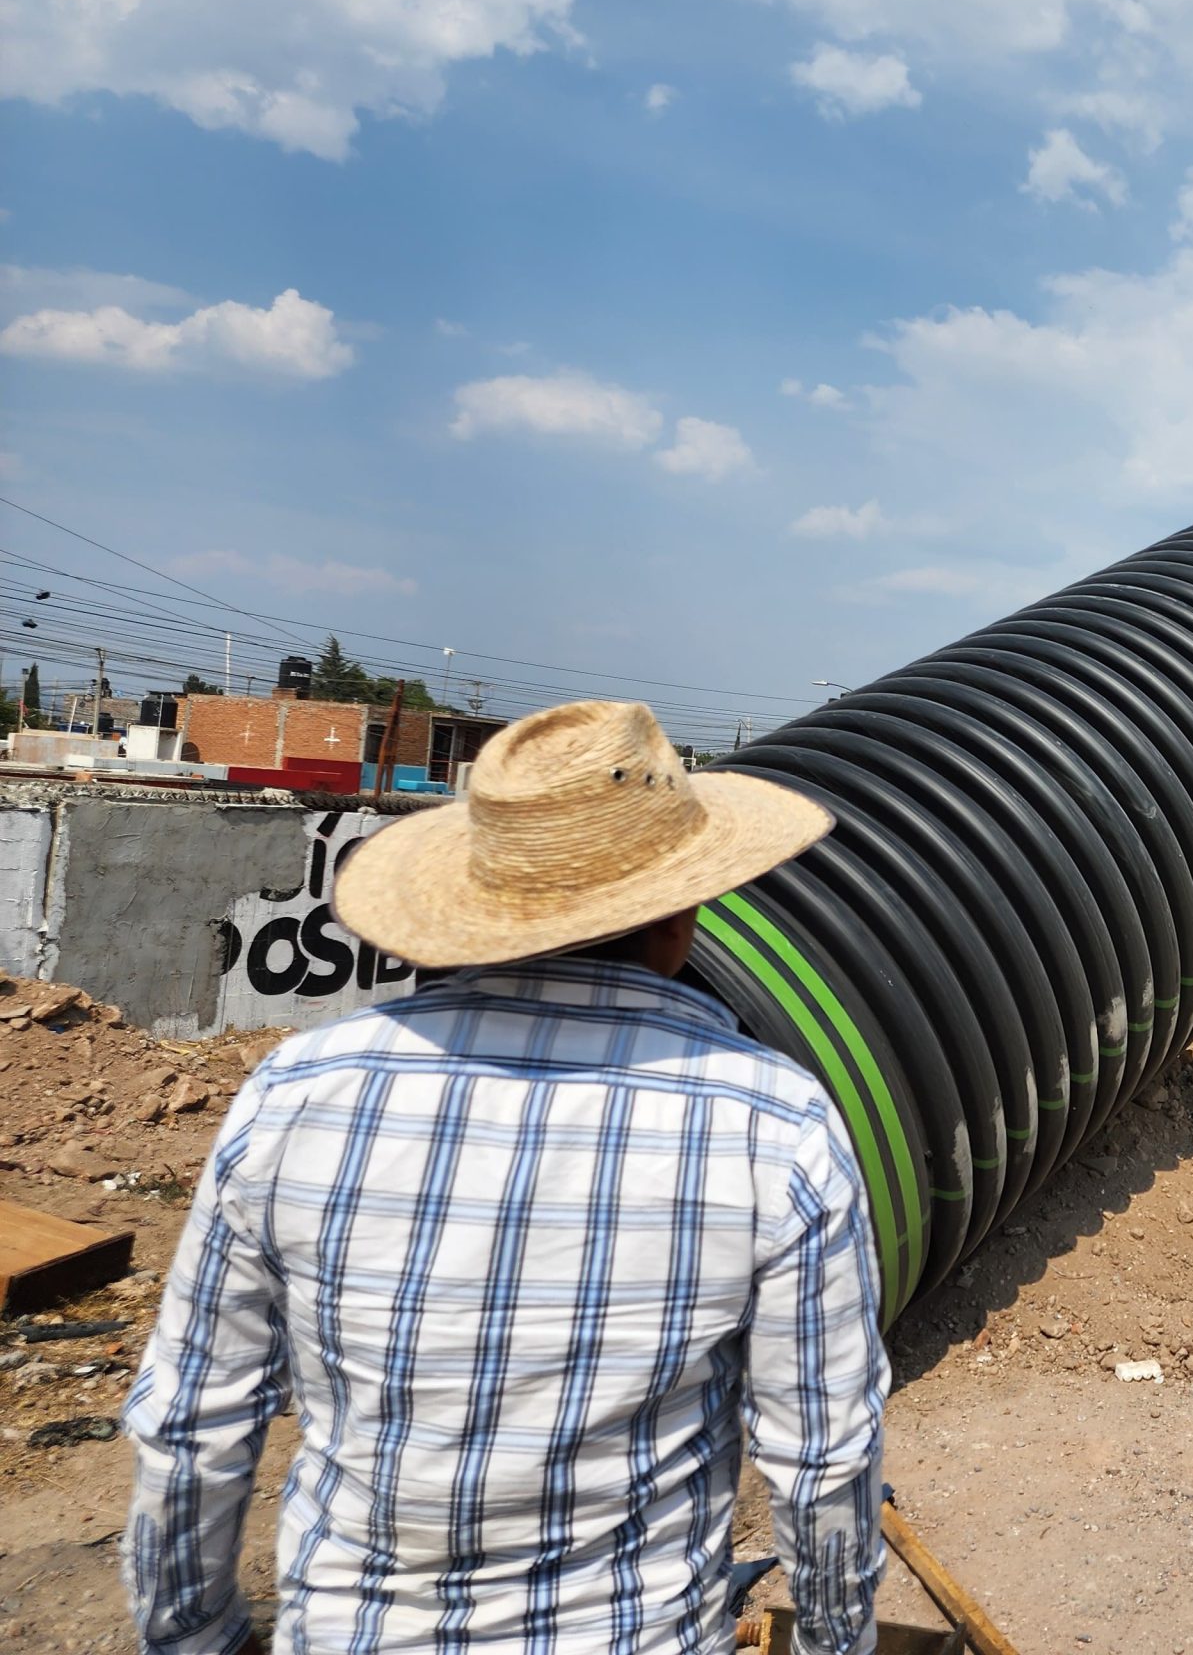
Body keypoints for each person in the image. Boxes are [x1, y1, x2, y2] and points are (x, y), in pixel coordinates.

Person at [121, 700, 888, 1655]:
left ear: (473, 903)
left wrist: (190, 1636)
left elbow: (194, 1417)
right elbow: (823, 1457)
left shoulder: (300, 1092)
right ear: (684, 913)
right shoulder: (772, 1124)